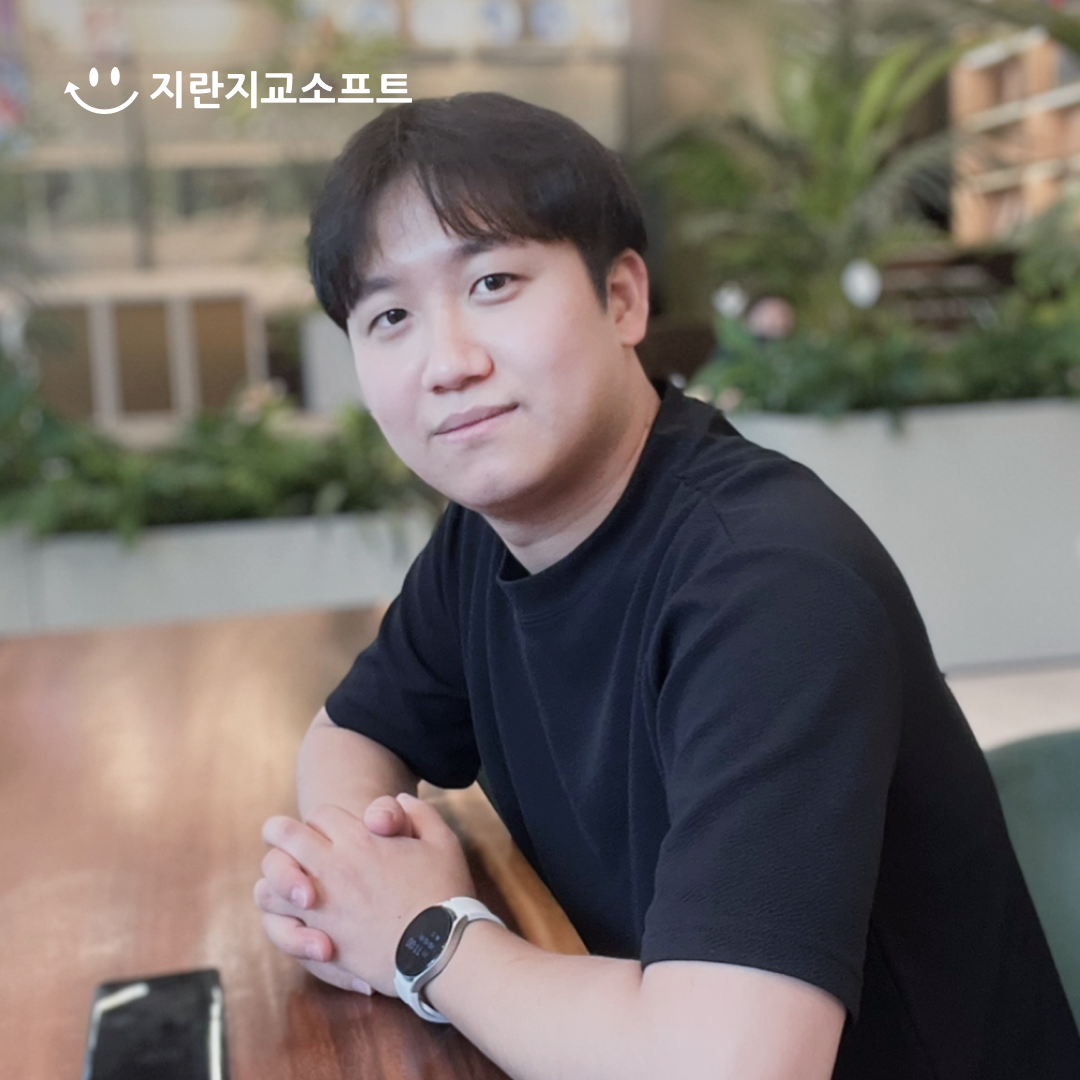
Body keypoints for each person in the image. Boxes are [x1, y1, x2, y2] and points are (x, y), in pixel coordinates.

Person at [254, 92, 1080, 1079]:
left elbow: (730, 1065)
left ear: (622, 300)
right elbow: (351, 733)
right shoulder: (486, 537)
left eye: (493, 282)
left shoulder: (771, 585)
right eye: (390, 315)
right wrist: (350, 878)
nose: (449, 363)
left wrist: (425, 937)